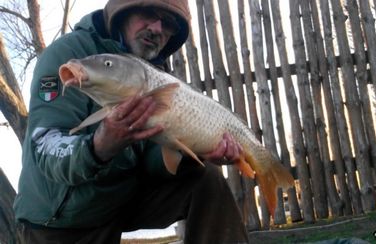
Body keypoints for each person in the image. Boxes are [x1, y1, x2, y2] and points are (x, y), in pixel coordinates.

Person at [13, 0, 249, 243]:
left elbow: (150, 159)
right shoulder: (69, 55)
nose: (157, 28)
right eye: (148, 13)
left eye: (168, 24)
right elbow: (44, 145)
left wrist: (195, 151)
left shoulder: (154, 74)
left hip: (118, 203)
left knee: (205, 179)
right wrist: (100, 145)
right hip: (60, 220)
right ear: (121, 12)